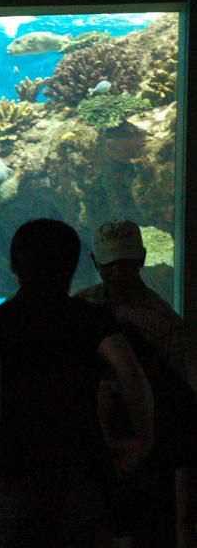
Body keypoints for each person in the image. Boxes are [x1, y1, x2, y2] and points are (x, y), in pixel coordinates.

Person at [0, 218, 154, 548]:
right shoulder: (92, 318)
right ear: (73, 266)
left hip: (16, 470)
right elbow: (131, 372)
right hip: (84, 469)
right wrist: (142, 440)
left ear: (14, 265)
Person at [75, 220, 197, 547]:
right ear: (95, 261)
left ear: (142, 258)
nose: (117, 272)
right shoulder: (81, 306)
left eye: (126, 262)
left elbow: (184, 401)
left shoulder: (163, 323)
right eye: (110, 263)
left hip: (146, 457)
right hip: (92, 452)